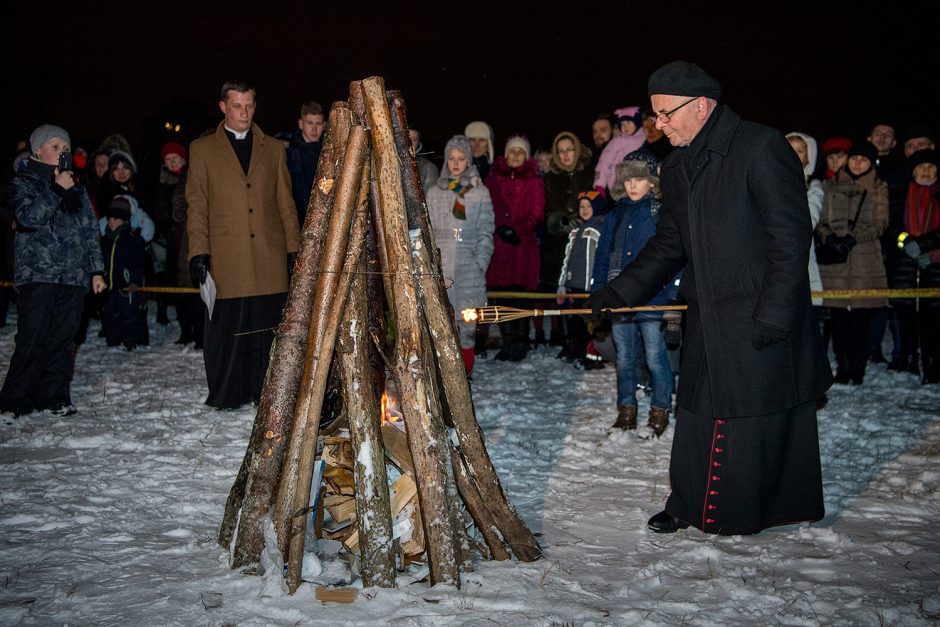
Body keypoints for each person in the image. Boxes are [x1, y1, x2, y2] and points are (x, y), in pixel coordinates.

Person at [586, 61, 831, 535]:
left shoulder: (761, 147)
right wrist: (619, 291)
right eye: (655, 115)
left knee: (752, 417)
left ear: (701, 106)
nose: (658, 125)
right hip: (708, 314)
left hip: (758, 312)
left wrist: (776, 312)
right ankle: (688, 503)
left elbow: (790, 237)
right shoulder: (677, 166)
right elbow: (669, 245)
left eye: (664, 114)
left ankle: (745, 510)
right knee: (698, 410)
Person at [186, 81, 301, 409]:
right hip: (227, 256)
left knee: (268, 330)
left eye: (249, 105)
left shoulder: (274, 149)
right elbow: (198, 205)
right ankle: (227, 394)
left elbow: (285, 202)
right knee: (227, 332)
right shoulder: (203, 149)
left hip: (268, 255)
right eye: (237, 106)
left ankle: (267, 393)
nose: (244, 113)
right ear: (223, 107)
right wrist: (198, 251)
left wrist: (294, 248)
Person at [0, 124, 107, 417]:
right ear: (37, 150)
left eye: (66, 149)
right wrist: (57, 188)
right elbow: (28, 218)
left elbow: (89, 232)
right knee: (33, 338)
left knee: (63, 339)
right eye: (56, 147)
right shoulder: (24, 183)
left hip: (72, 277)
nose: (63, 153)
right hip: (38, 275)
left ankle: (54, 396)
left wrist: (96, 271)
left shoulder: (78, 190)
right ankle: (15, 400)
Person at [592, 152, 677, 433]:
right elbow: (603, 257)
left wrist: (674, 298)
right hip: (619, 300)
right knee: (625, 357)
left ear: (652, 182)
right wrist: (598, 292)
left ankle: (660, 408)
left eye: (639, 178)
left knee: (654, 356)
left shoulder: (660, 214)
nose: (633, 184)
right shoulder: (615, 215)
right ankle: (626, 408)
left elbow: (672, 257)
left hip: (654, 298)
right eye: (628, 178)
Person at [816, 140, 889, 384]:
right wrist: (830, 239)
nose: (858, 163)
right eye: (855, 158)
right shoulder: (830, 185)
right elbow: (821, 221)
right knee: (838, 319)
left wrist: (852, 238)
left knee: (860, 319)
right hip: (836, 261)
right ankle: (843, 366)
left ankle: (857, 369)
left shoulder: (878, 187)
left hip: (865, 260)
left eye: (864, 160)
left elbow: (881, 223)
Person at [425, 134, 494, 376]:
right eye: (451, 158)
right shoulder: (435, 192)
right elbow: (428, 229)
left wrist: (480, 263)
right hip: (443, 262)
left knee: (467, 322)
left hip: (468, 264)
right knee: (443, 319)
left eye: (461, 158)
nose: (456, 163)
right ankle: (446, 372)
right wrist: (431, 262)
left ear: (468, 161)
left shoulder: (479, 191)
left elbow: (486, 230)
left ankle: (466, 371)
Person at [484, 134, 544, 362]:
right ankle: (507, 341)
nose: (516, 155)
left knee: (520, 295)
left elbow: (537, 213)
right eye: (512, 151)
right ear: (506, 154)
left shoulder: (534, 180)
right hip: (499, 245)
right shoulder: (493, 179)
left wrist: (517, 229)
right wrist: (499, 226)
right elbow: (487, 206)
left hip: (522, 246)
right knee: (501, 295)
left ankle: (520, 342)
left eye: (520, 152)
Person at [891, 148, 940, 384]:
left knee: (934, 320)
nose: (926, 171)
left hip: (935, 265)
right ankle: (908, 358)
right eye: (921, 167)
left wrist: (925, 246)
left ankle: (932, 365)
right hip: (906, 266)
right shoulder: (902, 195)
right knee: (906, 317)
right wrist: (906, 242)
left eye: (930, 167)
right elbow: (891, 228)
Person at [557, 189, 607, 367]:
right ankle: (578, 351)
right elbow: (567, 259)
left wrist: (599, 283)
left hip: (591, 286)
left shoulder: (600, 227)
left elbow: (602, 258)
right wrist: (562, 283)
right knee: (577, 320)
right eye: (581, 206)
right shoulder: (576, 230)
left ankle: (594, 356)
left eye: (588, 206)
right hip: (576, 285)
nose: (584, 209)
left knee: (592, 323)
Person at [100, 196, 148, 350]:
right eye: (110, 218)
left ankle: (130, 342)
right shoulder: (104, 240)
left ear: (125, 220)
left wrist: (135, 281)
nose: (112, 222)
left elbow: (139, 264)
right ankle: (112, 341)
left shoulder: (133, 239)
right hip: (108, 285)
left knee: (129, 315)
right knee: (109, 314)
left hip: (126, 286)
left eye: (116, 219)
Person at [593, 106, 647, 197]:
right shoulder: (617, 141)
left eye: (628, 123)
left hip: (637, 184)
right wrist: (600, 183)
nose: (625, 126)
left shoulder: (644, 139)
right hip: (616, 183)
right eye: (622, 124)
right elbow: (604, 161)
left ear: (637, 123)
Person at [286, 101, 325, 226]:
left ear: (324, 125)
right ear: (301, 124)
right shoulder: (290, 155)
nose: (314, 129)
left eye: (318, 124)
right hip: (298, 222)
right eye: (309, 123)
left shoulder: (329, 153)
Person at [409, 128, 440, 194]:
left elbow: (431, 198)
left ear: (418, 142)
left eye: (414, 140)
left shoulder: (429, 168)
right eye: (405, 138)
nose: (410, 143)